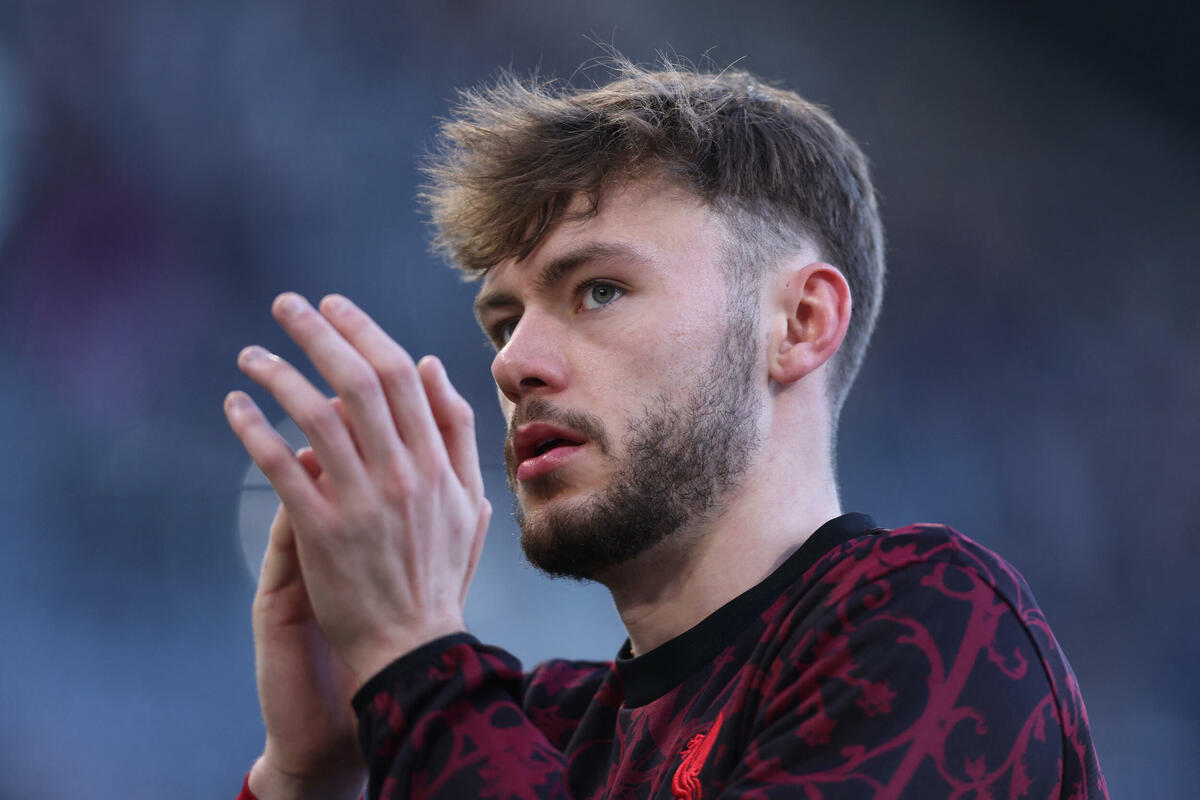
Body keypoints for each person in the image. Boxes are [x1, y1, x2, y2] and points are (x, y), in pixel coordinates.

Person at [224, 60, 1107, 799]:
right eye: (503, 322)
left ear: (800, 323)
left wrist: (413, 659)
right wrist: (310, 779)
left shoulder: (934, 623)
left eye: (598, 290)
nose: (512, 363)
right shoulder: (542, 730)